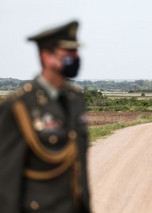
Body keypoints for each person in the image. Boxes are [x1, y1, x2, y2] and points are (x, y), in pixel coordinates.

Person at [0, 21, 90, 213]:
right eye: (69, 52)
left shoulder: (76, 99)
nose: (76, 57)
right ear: (47, 56)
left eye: (76, 51)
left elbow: (78, 169)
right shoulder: (19, 107)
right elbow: (6, 180)